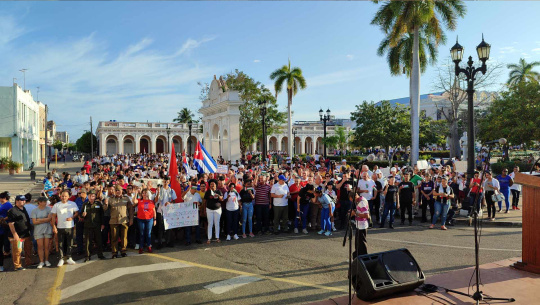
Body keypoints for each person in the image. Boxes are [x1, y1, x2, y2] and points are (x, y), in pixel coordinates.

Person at [104, 185, 133, 258]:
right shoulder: (110, 199)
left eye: (119, 190)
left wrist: (131, 219)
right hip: (114, 221)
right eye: (116, 190)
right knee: (114, 237)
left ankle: (123, 251)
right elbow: (105, 209)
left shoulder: (126, 199)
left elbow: (130, 210)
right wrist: (105, 204)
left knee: (124, 237)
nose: (118, 192)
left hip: (124, 220)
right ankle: (114, 252)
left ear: (122, 191)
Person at [51, 190, 79, 266]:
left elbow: (77, 213)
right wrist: (54, 226)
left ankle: (69, 257)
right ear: (60, 196)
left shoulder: (72, 204)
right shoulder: (57, 205)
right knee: (60, 243)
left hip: (70, 226)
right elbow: (53, 216)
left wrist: (72, 217)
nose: (64, 197)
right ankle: (61, 258)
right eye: (62, 196)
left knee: (70, 243)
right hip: (60, 227)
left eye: (65, 196)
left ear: (68, 197)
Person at [6, 195, 33, 271]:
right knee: (18, 250)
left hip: (26, 234)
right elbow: (11, 224)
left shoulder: (23, 208)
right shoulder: (12, 211)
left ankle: (28, 262)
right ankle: (17, 265)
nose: (24, 201)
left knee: (28, 248)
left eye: (24, 200)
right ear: (17, 201)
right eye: (22, 200)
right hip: (18, 236)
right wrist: (15, 234)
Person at [81, 190, 106, 261]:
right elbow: (81, 214)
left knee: (99, 241)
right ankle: (87, 256)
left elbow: (102, 214)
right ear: (88, 196)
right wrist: (83, 215)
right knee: (87, 242)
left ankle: (100, 255)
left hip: (97, 225)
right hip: (88, 226)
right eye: (90, 196)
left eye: (93, 196)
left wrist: (102, 224)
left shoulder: (98, 204)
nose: (92, 197)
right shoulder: (85, 204)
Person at [31, 196, 53, 268]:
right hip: (38, 230)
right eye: (44, 202)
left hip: (47, 229)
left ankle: (46, 260)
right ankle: (41, 261)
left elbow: (49, 219)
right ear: (39, 202)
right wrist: (45, 219)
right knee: (40, 246)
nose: (45, 203)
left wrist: (39, 220)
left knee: (46, 246)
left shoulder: (48, 208)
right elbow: (34, 222)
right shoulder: (34, 210)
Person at [137, 189, 156, 253]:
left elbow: (154, 211)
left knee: (148, 233)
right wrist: (136, 193)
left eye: (146, 193)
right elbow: (134, 201)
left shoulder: (151, 201)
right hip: (141, 219)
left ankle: (149, 246)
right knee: (142, 233)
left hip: (149, 219)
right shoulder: (139, 200)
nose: (145, 194)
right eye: (143, 193)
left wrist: (155, 219)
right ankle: (141, 247)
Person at [205, 179, 223, 244]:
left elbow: (222, 199)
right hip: (209, 209)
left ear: (216, 185)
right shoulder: (208, 192)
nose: (212, 185)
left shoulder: (218, 191)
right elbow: (205, 200)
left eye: (214, 184)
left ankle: (217, 237)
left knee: (217, 223)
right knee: (210, 223)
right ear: (209, 186)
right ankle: (209, 238)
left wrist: (218, 196)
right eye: (211, 184)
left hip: (217, 209)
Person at [351, 193, 369, 257]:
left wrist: (355, 213)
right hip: (359, 225)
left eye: (352, 200)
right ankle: (357, 256)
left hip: (362, 226)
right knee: (358, 243)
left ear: (355, 197)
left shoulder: (362, 202)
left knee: (362, 244)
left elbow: (366, 215)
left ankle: (364, 257)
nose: (353, 202)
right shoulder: (360, 200)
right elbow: (360, 211)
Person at [0, 191, 14, 272]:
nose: (1, 199)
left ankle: (7, 251)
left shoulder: (8, 205)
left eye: (2, 198)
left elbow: (10, 214)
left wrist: (3, 219)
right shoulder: (2, 204)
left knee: (6, 239)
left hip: (5, 226)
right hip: (2, 226)